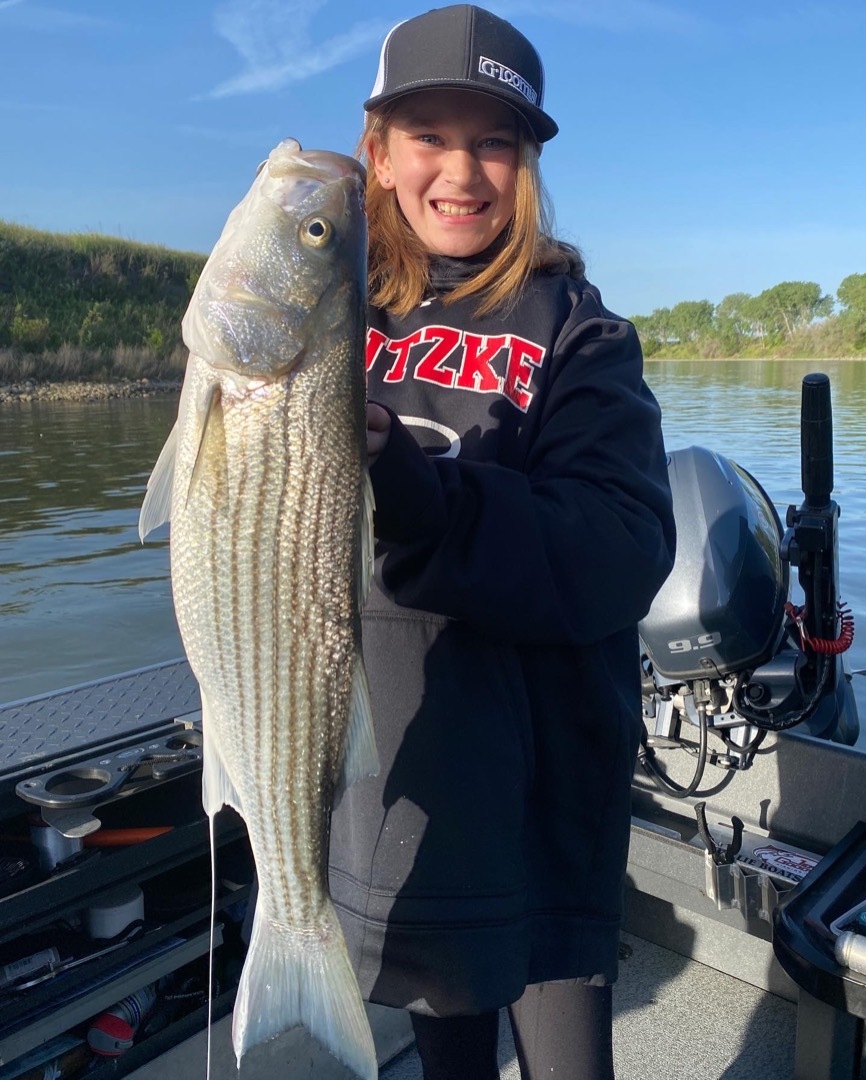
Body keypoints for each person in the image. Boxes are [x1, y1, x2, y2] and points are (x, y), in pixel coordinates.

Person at [327, 5, 677, 1078]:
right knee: (448, 1065)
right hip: (407, 801)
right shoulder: (324, 321)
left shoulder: (580, 331)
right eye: (429, 134)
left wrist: (415, 485)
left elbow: (619, 546)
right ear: (378, 153)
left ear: (525, 161)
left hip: (545, 810)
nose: (461, 169)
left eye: (493, 140)